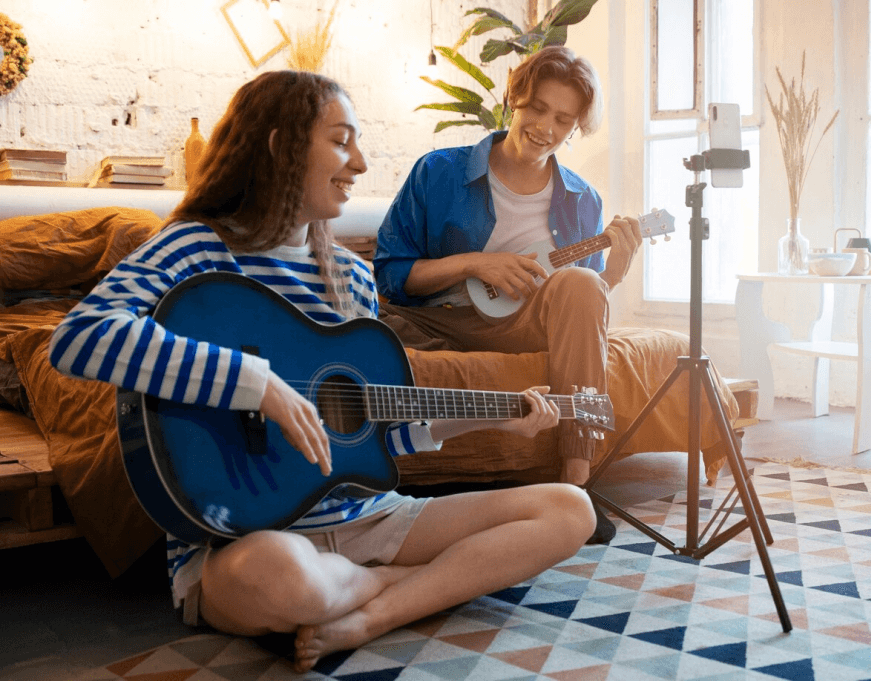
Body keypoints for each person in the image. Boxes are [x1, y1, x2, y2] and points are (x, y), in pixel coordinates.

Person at [49, 70, 595, 673]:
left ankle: (374, 611)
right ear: (282, 146)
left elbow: (368, 436)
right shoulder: (194, 248)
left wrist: (492, 422)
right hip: (249, 544)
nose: (360, 163)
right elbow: (79, 336)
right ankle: (419, 587)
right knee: (286, 583)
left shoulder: (352, 279)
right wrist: (256, 385)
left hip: (368, 520)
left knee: (571, 509)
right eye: (342, 141)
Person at [374, 46, 642, 543]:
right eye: (537, 108)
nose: (545, 127)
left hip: (519, 327)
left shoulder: (582, 198)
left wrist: (614, 276)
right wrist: (477, 262)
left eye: (563, 119)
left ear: (575, 126)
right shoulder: (438, 173)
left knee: (583, 282)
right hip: (434, 322)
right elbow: (390, 274)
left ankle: (577, 486)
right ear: (514, 99)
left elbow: (579, 306)